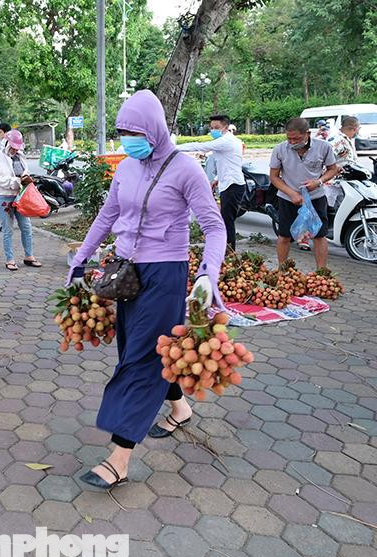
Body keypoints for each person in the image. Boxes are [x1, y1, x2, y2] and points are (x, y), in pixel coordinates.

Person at [67, 90, 226, 490]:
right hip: (125, 273)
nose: (126, 138)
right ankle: (179, 408)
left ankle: (119, 458)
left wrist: (208, 274)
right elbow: (109, 214)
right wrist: (81, 257)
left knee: (139, 360)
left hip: (165, 274)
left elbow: (213, 227)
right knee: (137, 348)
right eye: (121, 131)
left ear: (154, 128)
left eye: (132, 131)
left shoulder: (185, 169)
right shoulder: (128, 166)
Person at [270, 118, 341, 269]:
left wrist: (318, 182)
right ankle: (282, 271)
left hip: (315, 198)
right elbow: (274, 177)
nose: (292, 142)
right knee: (284, 235)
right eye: (289, 138)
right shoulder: (280, 149)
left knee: (319, 235)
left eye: (296, 138)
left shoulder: (323, 147)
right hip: (287, 199)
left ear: (307, 134)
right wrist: (292, 194)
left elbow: (333, 169)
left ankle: (321, 272)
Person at [177, 115, 245, 251]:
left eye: (217, 128)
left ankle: (229, 252)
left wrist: (174, 147)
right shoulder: (228, 140)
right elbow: (228, 163)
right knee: (225, 219)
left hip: (233, 185)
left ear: (225, 127)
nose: (213, 130)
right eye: (212, 128)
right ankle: (226, 250)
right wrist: (216, 179)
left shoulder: (226, 141)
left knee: (227, 221)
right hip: (229, 183)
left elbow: (200, 146)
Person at [0, 130, 41, 271]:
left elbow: (25, 172)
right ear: (6, 143)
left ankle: (29, 256)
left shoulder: (21, 157)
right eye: (12, 146)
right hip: (3, 197)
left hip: (20, 197)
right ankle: (10, 259)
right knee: (8, 230)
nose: (14, 149)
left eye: (16, 147)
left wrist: (25, 179)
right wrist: (14, 181)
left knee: (26, 227)